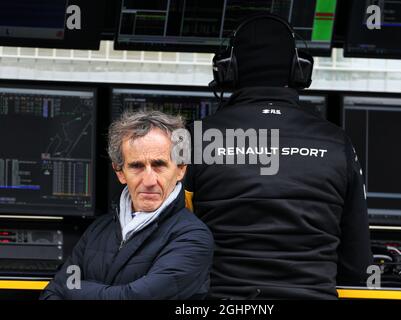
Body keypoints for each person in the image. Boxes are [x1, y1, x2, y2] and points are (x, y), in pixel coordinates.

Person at [184, 14, 373, 299]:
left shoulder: (193, 139)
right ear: (299, 70)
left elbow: (172, 244)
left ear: (227, 70)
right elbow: (357, 265)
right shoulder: (337, 143)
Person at [41, 110, 214, 300]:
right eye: (136, 166)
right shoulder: (99, 229)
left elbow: (131, 298)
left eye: (159, 165)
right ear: (120, 172)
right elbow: (53, 291)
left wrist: (74, 292)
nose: (149, 180)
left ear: (181, 169)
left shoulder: (193, 238)